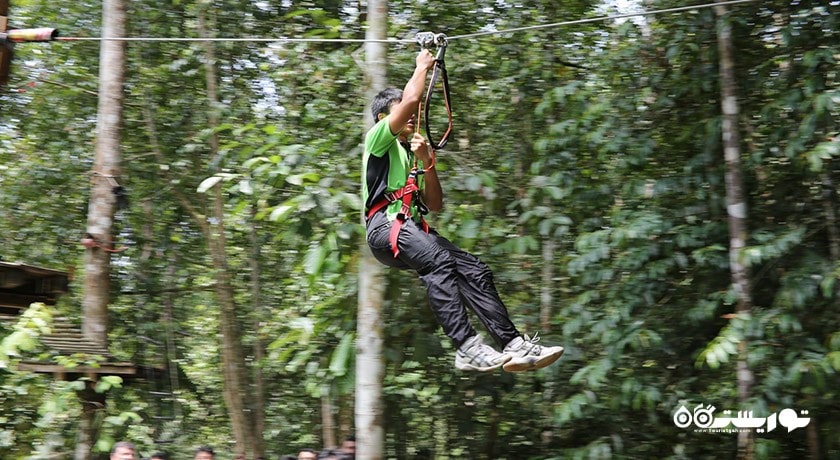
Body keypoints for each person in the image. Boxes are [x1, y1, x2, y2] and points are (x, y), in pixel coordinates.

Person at [363, 49, 565, 372]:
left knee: (474, 270)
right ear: (383, 119)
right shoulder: (377, 141)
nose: (410, 116)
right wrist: (421, 67)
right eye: (399, 110)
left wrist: (428, 163)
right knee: (437, 260)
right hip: (384, 228)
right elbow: (414, 98)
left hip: (411, 230)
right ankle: (467, 347)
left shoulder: (411, 153)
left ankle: (513, 344)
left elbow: (435, 204)